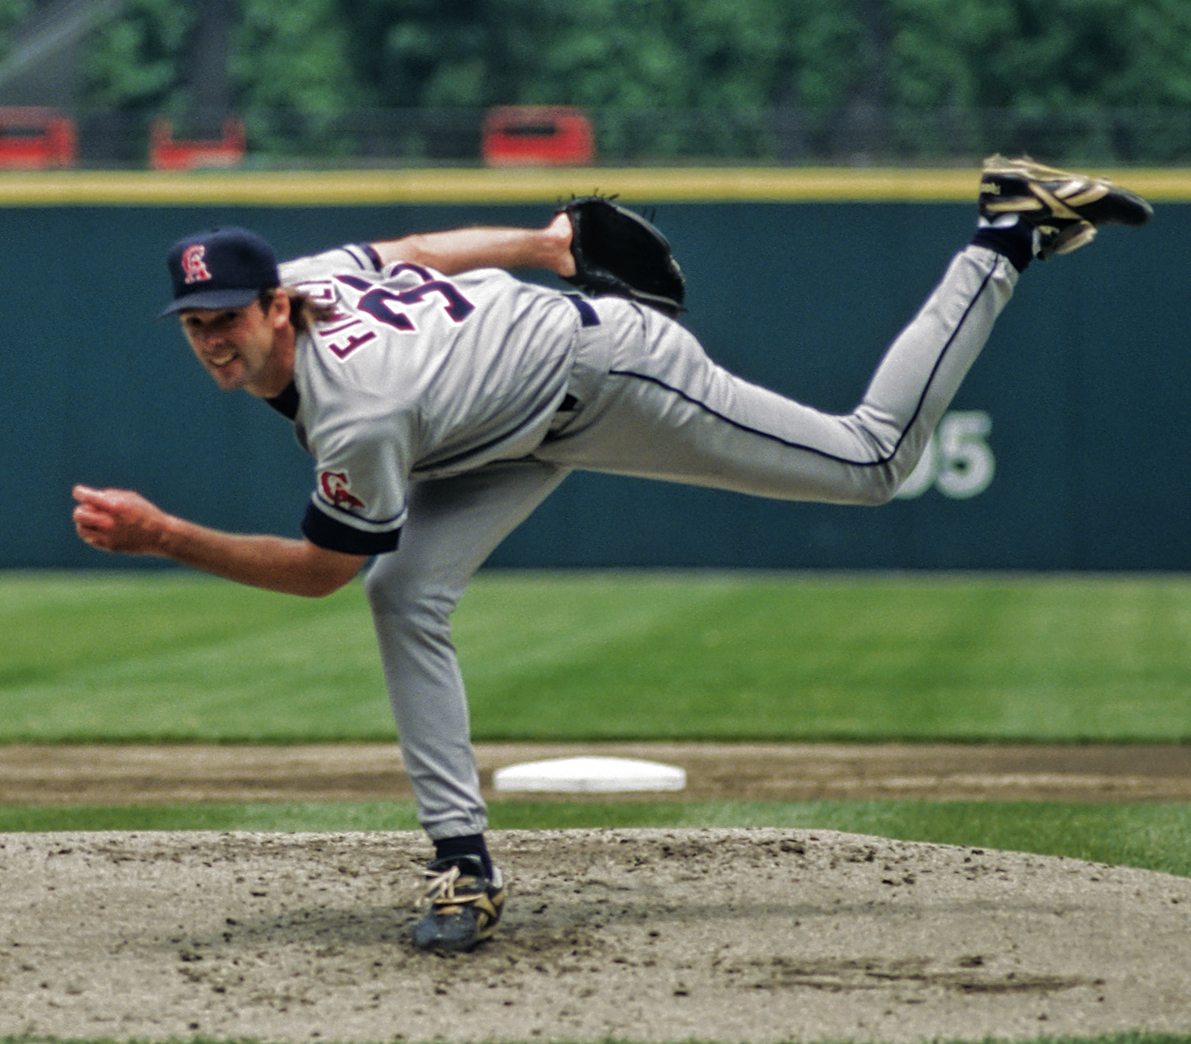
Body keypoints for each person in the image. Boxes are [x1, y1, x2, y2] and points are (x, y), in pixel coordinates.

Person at [72, 155, 1151, 952]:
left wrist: (163, 535)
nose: (213, 335)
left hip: (606, 373)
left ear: (275, 304)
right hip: (503, 417)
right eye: (194, 320)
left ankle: (1002, 234)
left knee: (870, 462)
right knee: (408, 593)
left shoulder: (359, 408)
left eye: (228, 315)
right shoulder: (306, 282)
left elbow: (317, 569)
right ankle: (463, 863)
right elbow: (405, 252)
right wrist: (541, 245)